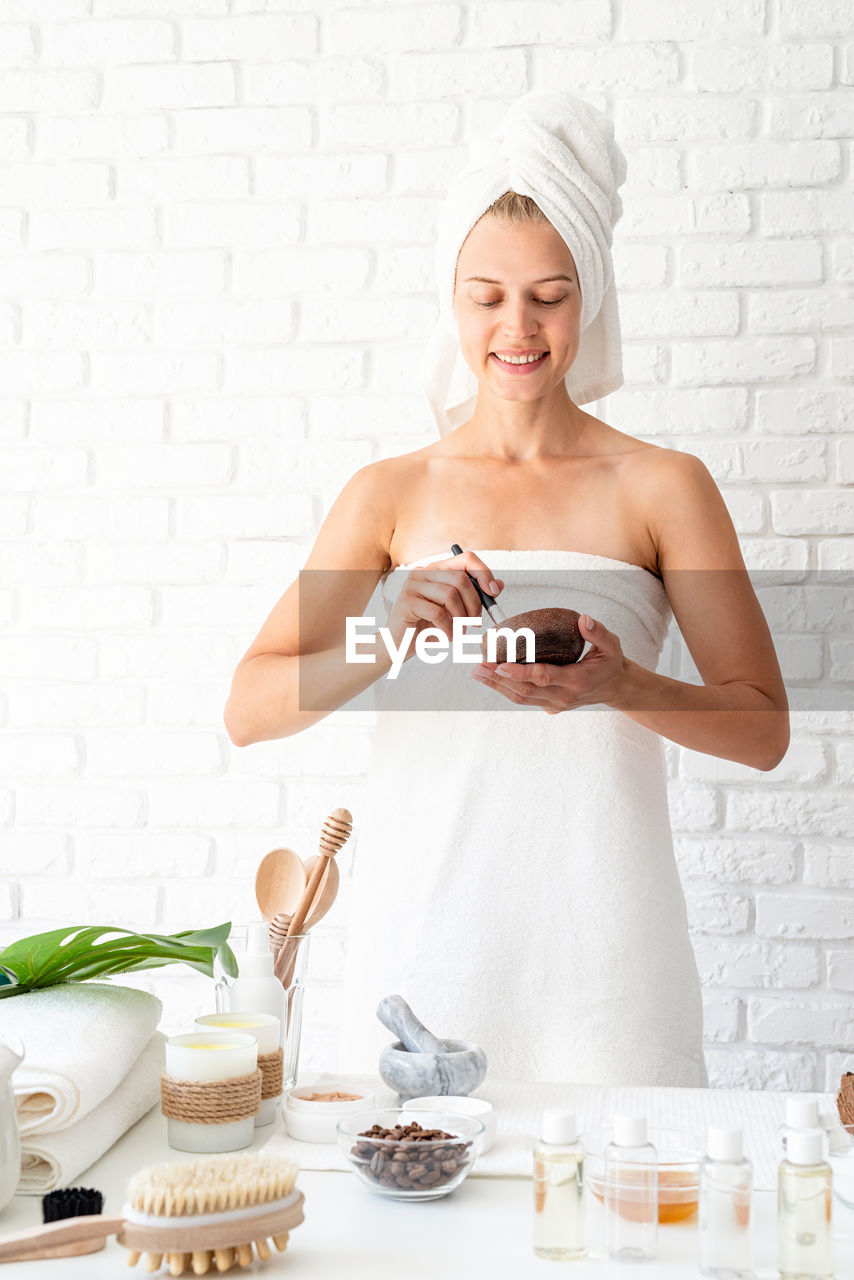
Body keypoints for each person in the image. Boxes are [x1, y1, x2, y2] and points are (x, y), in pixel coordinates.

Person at [224, 91, 789, 1087]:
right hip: (422, 949)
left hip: (609, 965)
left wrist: (623, 685)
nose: (515, 326)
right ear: (451, 297)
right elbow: (249, 708)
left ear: (592, 293)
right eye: (485, 295)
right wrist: (387, 635)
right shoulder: (386, 494)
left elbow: (760, 727)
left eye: (549, 293)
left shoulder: (661, 486)